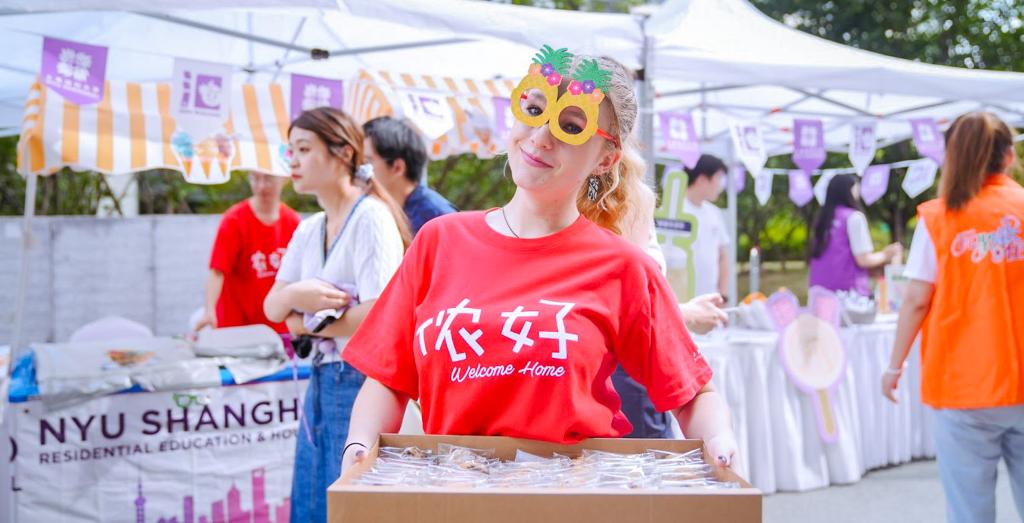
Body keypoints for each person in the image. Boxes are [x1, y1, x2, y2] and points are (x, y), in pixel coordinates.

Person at [339, 51, 738, 471]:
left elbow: (693, 395)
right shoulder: (439, 241)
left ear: (606, 159)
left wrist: (719, 440)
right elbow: (388, 378)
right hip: (456, 494)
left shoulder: (623, 266)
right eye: (533, 110)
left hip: (572, 501)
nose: (542, 136)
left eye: (571, 126)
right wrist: (359, 447)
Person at [262, 107, 409, 523]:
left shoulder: (372, 218)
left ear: (342, 153)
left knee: (350, 499)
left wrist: (304, 316)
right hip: (324, 375)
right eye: (289, 150)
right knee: (313, 496)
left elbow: (380, 310)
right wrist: (299, 294)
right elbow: (273, 306)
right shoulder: (310, 227)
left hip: (362, 382)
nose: (292, 160)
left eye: (304, 149)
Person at [882, 112, 1024, 523]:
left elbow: (915, 300)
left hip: (963, 385)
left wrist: (894, 366)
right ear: (1008, 156)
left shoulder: (938, 217)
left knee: (969, 512)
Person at [194, 171, 300, 334]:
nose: (261, 186)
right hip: (237, 326)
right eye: (255, 178)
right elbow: (217, 271)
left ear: (284, 179)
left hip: (278, 328)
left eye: (268, 179)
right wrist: (209, 310)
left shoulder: (293, 222)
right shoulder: (234, 220)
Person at [808, 174, 902, 295]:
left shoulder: (822, 218)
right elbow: (863, 259)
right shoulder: (853, 217)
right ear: (849, 190)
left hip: (819, 293)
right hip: (848, 292)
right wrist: (886, 254)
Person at [363, 116, 457, 234]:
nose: (360, 170)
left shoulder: (438, 217)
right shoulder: (380, 209)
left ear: (397, 168)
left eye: (367, 162)